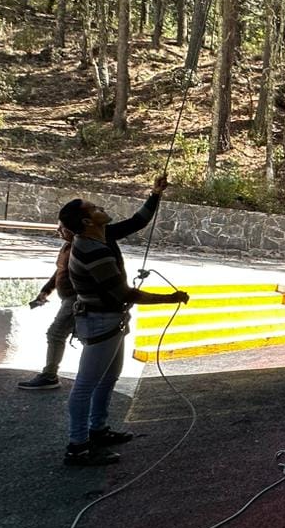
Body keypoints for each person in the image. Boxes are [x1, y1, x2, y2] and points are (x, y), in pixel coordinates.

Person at [56, 176, 188, 467]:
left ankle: (98, 429)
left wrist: (155, 194)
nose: (100, 207)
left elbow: (137, 221)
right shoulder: (93, 251)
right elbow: (124, 293)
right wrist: (170, 298)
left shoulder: (100, 235)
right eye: (93, 208)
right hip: (100, 322)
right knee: (85, 385)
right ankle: (77, 446)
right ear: (87, 221)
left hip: (110, 320)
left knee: (108, 377)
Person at [17, 225, 75, 390]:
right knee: (70, 335)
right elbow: (60, 272)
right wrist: (46, 290)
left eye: (63, 227)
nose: (59, 231)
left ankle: (50, 375)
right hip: (68, 299)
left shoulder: (80, 247)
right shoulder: (67, 247)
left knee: (56, 334)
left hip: (75, 299)